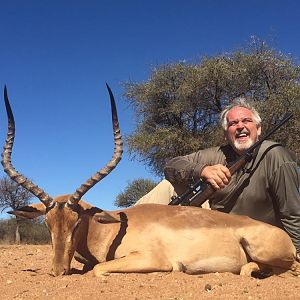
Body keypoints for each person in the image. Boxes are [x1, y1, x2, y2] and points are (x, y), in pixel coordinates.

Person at [135, 98, 300, 255]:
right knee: (168, 186)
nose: (240, 126)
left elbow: (292, 213)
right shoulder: (216, 154)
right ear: (225, 134)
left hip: (253, 239)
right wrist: (202, 170)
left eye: (246, 121)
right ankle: (121, 233)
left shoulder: (276, 155)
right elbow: (171, 165)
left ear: (259, 129)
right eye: (233, 123)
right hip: (213, 229)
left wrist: (296, 253)